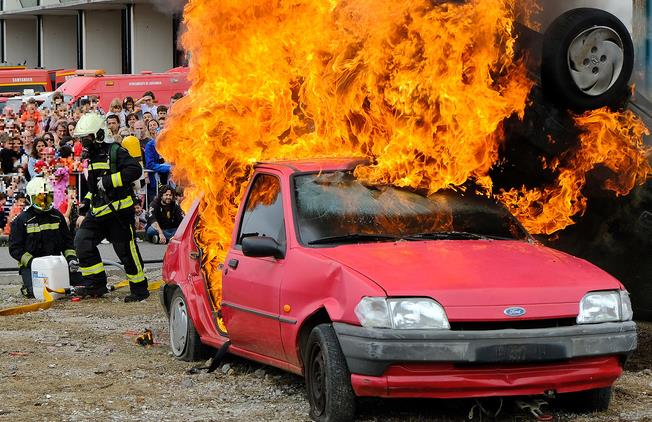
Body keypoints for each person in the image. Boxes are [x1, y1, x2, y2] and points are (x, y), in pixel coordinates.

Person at [73, 113, 148, 301]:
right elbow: (92, 188)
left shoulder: (115, 151)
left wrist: (109, 181)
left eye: (87, 137)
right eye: (82, 138)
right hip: (98, 212)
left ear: (98, 134)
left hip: (119, 213)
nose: (84, 142)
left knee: (126, 251)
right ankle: (96, 285)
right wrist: (84, 207)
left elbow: (135, 170)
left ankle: (139, 289)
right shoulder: (90, 157)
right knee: (82, 241)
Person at [9, 178, 80, 298]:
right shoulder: (21, 221)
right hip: (32, 266)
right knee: (36, 292)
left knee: (81, 283)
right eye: (40, 198)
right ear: (30, 199)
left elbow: (67, 243)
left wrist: (71, 259)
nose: (44, 202)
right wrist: (33, 262)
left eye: (47, 198)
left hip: (54, 264)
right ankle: (27, 287)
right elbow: (15, 248)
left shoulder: (57, 217)